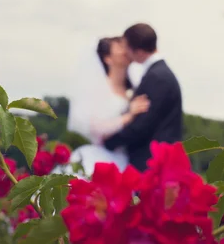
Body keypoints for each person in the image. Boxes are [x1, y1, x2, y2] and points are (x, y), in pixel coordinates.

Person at [62, 36, 151, 176]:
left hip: (128, 159)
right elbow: (96, 128)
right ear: (107, 58)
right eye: (120, 47)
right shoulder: (99, 87)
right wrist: (129, 116)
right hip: (103, 157)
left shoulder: (133, 89)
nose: (125, 50)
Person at [103, 23, 183, 171]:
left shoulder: (157, 77)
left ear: (139, 52)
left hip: (151, 163)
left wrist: (109, 143)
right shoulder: (158, 73)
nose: (125, 52)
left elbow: (141, 126)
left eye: (126, 47)